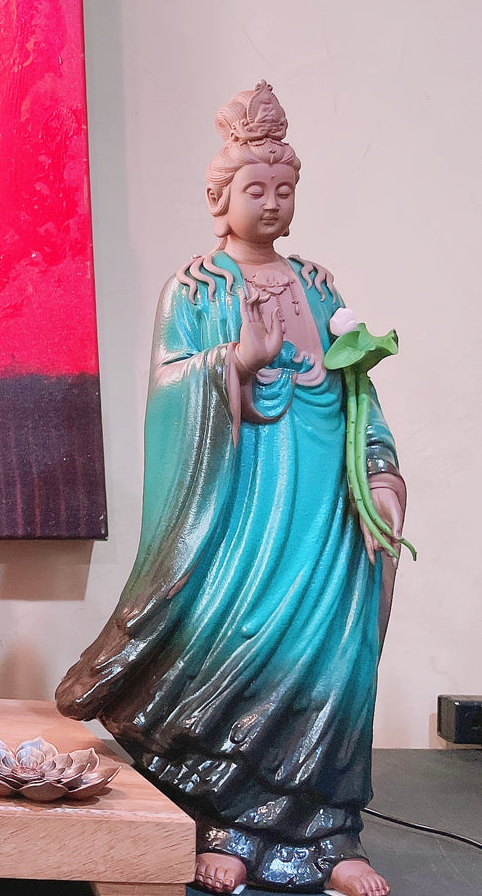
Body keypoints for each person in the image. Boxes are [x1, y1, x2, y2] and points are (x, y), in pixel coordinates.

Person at [55, 82, 402, 896]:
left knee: (333, 657)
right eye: (255, 189)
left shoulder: (318, 285)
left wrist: (378, 473)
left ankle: (330, 832)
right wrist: (234, 364)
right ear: (219, 198)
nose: (272, 203)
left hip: (325, 510)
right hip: (242, 515)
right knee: (243, 647)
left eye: (283, 189)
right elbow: (168, 394)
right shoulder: (195, 290)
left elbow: (357, 390)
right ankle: (225, 823)